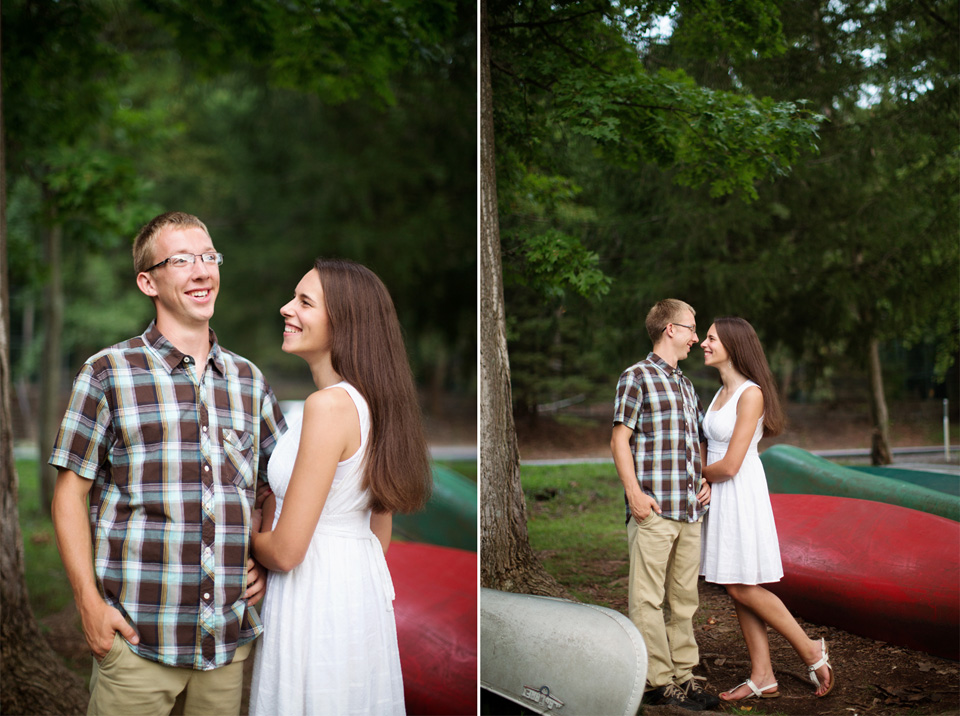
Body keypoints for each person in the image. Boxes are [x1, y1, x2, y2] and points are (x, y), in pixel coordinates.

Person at [50, 211, 287, 716]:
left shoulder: (249, 381)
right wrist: (89, 606)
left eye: (208, 256)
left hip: (224, 644)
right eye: (181, 260)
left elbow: (272, 485)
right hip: (137, 639)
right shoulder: (107, 372)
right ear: (147, 281)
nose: (202, 271)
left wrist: (264, 554)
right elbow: (69, 495)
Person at [248, 258, 432, 716]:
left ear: (344, 323)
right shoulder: (378, 403)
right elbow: (379, 537)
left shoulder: (328, 407)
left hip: (314, 595)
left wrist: (240, 535)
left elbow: (288, 552)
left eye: (304, 302)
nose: (286, 308)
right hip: (357, 591)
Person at [699, 316, 835, 702]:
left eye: (710, 338)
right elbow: (710, 445)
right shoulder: (721, 391)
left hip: (738, 492)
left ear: (732, 345)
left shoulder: (750, 394)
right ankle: (763, 676)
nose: (704, 344)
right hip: (719, 493)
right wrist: (704, 477)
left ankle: (810, 649)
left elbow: (730, 465)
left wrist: (696, 476)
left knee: (741, 584)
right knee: (736, 583)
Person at [611, 299, 719, 712]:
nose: (697, 337)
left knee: (684, 598)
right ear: (670, 329)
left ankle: (685, 675)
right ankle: (658, 682)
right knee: (647, 599)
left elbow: (695, 442)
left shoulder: (687, 385)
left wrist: (705, 476)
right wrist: (634, 494)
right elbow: (620, 439)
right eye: (692, 328)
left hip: (690, 509)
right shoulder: (635, 377)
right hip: (654, 510)